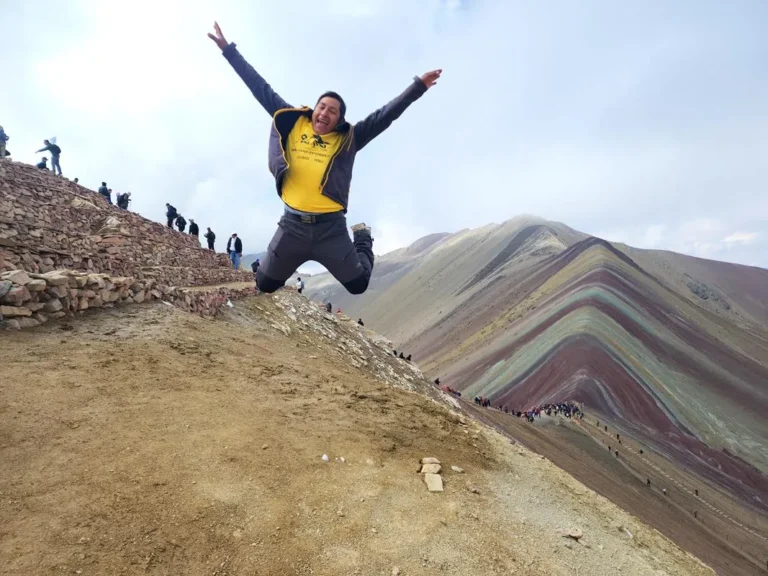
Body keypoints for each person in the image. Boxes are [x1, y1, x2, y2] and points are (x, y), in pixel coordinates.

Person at [208, 22, 441, 295]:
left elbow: (385, 116)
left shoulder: (350, 138)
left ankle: (363, 238)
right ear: (314, 109)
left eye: (333, 111)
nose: (325, 113)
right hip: (291, 226)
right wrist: (229, 51)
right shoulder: (292, 121)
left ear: (339, 120)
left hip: (331, 229)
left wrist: (417, 88)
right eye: (322, 107)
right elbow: (259, 86)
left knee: (358, 285)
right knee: (265, 284)